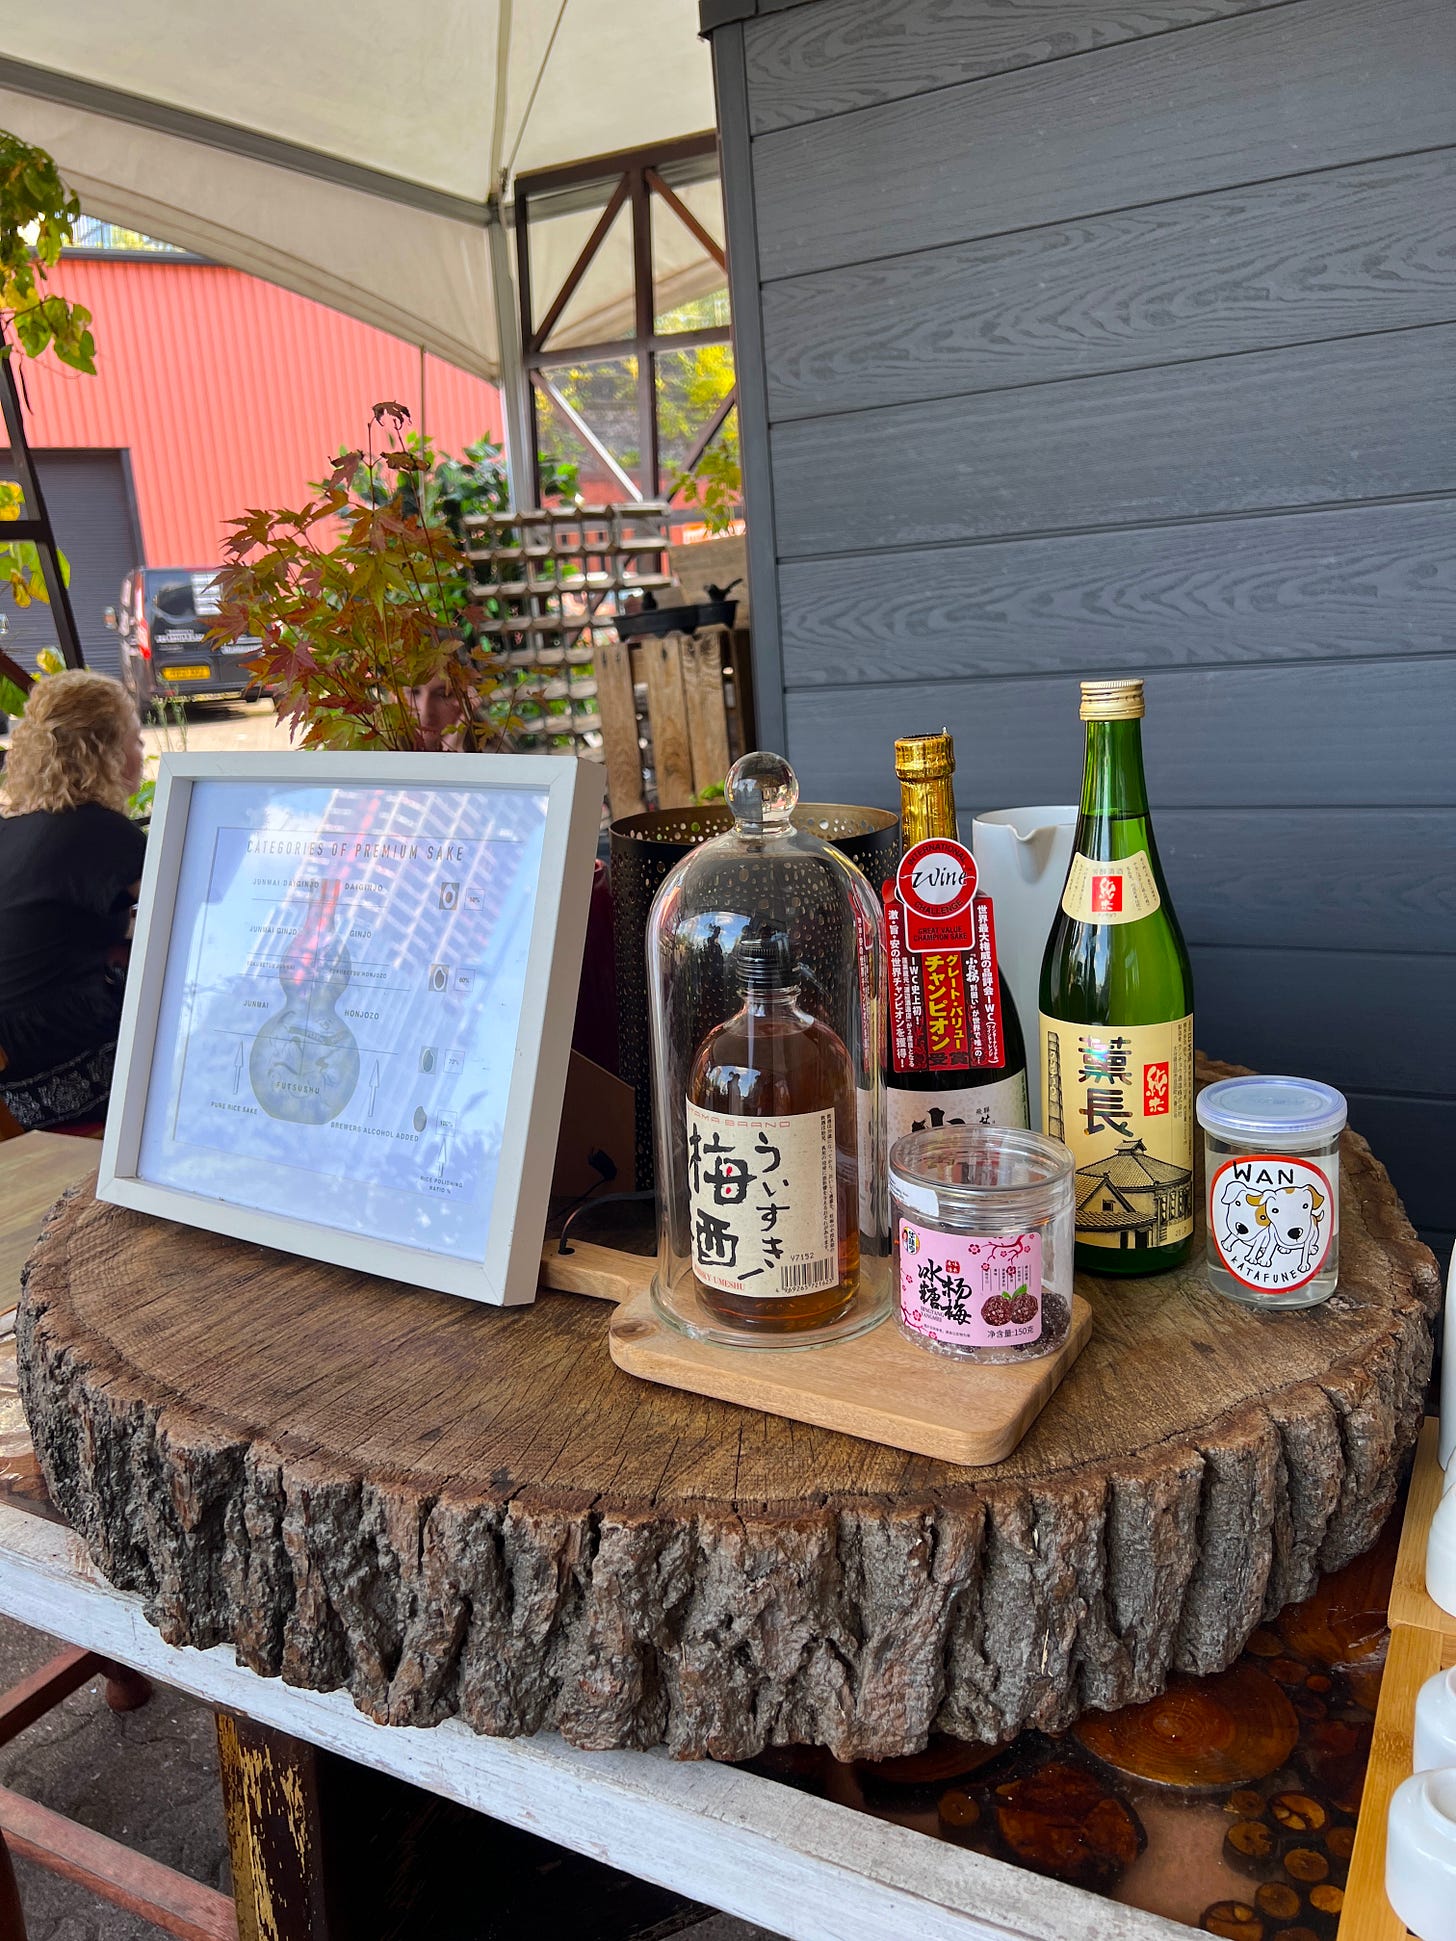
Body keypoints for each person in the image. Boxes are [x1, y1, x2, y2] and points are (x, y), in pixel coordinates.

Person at [0, 671, 146, 1131]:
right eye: (136, 740)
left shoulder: (12, 830)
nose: (141, 753)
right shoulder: (101, 830)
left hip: (12, 1076)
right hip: (66, 1064)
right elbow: (190, 917)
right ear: (108, 752)